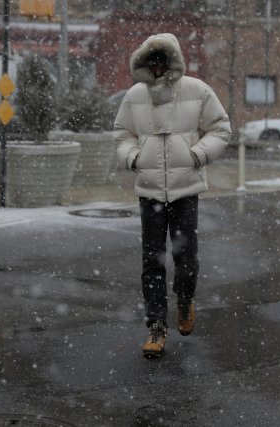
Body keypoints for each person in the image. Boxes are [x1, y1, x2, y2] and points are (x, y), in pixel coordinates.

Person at [114, 33, 232, 358]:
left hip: (185, 190)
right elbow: (122, 133)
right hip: (149, 191)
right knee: (152, 260)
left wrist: (196, 155)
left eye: (162, 60)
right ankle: (156, 327)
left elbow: (221, 128)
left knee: (186, 257)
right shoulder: (135, 95)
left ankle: (184, 299)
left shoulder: (197, 91)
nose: (157, 67)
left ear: (173, 61)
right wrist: (134, 158)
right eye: (151, 61)